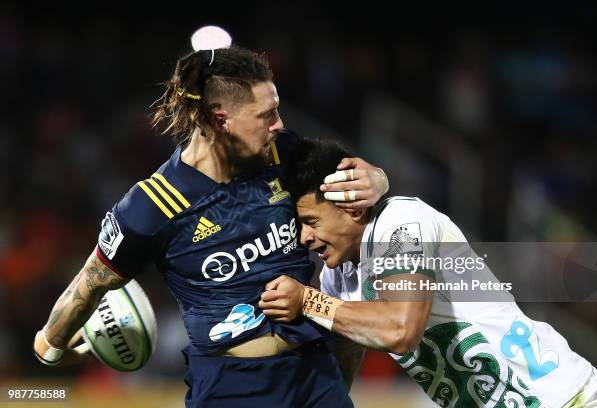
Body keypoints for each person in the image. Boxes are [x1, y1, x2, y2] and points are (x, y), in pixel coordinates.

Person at [33, 45, 389, 407]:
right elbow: (91, 282)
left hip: (314, 375)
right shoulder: (153, 205)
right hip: (232, 389)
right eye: (266, 115)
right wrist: (50, 345)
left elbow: (354, 186)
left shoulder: (283, 152)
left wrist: (378, 180)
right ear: (222, 121)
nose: (279, 123)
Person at [259, 137, 597, 408]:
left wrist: (307, 300)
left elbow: (401, 327)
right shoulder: (338, 277)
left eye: (311, 222)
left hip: (557, 397)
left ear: (351, 207)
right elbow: (348, 346)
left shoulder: (401, 224)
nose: (304, 237)